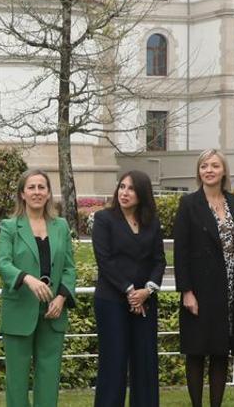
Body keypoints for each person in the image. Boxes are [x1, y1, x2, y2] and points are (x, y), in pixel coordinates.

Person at [173, 148, 234, 407]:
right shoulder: (189, 204)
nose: (209, 170)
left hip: (233, 288)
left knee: (221, 351)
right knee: (197, 351)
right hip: (200, 289)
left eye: (214, 165)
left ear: (223, 171)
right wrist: (186, 291)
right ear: (199, 172)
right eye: (204, 166)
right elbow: (181, 251)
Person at [0, 169, 77, 407]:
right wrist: (28, 279)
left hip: (53, 310)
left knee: (49, 375)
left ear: (49, 193)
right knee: (17, 379)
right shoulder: (10, 226)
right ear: (22, 193)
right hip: (19, 308)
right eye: (31, 187)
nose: (37, 192)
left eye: (42, 187)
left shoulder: (60, 226)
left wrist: (61, 297)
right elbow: (3, 263)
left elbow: (69, 268)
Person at [91, 170, 166, 407]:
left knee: (145, 363)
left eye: (131, 188)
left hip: (145, 302)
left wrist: (147, 291)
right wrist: (131, 291)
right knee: (113, 363)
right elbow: (104, 260)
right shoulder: (104, 219)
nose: (124, 192)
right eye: (122, 187)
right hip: (112, 301)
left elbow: (159, 260)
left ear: (142, 193)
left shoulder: (151, 222)